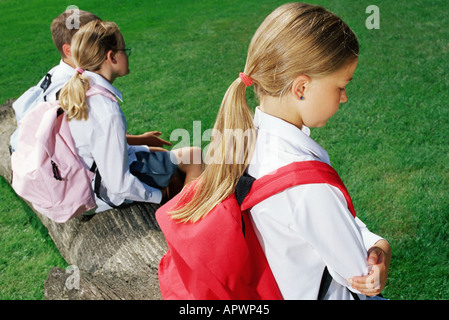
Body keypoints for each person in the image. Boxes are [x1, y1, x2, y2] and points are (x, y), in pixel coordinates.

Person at [167, 3, 390, 299]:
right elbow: (360, 275)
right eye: (340, 86)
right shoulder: (308, 187)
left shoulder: (243, 142)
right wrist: (381, 248)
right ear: (301, 89)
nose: (345, 97)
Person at [58, 20, 202, 212]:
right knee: (195, 157)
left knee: (168, 155)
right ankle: (186, 217)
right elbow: (118, 184)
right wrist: (157, 196)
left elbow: (100, 147)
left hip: (85, 180)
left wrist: (142, 144)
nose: (127, 54)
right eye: (125, 50)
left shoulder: (80, 91)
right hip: (103, 192)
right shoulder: (107, 112)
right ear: (112, 57)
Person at [10, 9, 170, 153]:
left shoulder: (58, 72)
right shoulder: (70, 89)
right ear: (68, 50)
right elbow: (89, 140)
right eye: (90, 39)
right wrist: (143, 141)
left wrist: (140, 139)